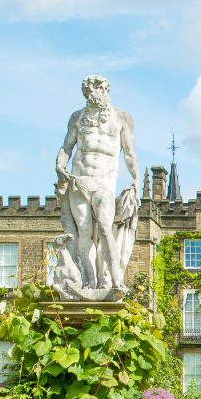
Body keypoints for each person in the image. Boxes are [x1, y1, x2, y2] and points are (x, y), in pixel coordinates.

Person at [55, 75, 139, 293]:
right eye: (89, 91)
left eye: (97, 89)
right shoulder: (77, 118)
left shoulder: (121, 118)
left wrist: (136, 181)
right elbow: (67, 148)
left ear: (106, 90)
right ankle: (89, 282)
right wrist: (59, 165)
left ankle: (115, 281)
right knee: (83, 232)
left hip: (104, 182)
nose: (93, 94)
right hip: (78, 179)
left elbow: (129, 154)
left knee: (104, 227)